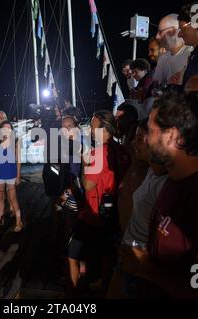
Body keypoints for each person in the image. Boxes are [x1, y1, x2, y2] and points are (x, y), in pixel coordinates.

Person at [119, 93, 198, 298]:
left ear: (173, 136)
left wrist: (147, 269)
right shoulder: (173, 181)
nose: (144, 139)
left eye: (150, 131)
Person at [66, 110, 130, 297]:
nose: (91, 132)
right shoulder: (123, 150)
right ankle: (104, 287)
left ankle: (74, 293)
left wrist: (86, 163)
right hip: (113, 213)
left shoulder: (99, 152)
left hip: (93, 213)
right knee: (107, 255)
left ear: (104, 128)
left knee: (73, 255)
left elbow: (88, 185)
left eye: (93, 128)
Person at [108, 120, 168, 298]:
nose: (134, 143)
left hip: (140, 264)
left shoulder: (165, 184)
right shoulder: (150, 171)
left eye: (140, 138)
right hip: (129, 256)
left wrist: (146, 265)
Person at [0, 121, 23, 232]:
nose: (7, 130)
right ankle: (1, 220)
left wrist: (18, 176)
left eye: (9, 128)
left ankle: (19, 221)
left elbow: (19, 161)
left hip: (11, 174)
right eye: (4, 128)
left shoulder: (16, 142)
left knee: (13, 198)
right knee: (1, 199)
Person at [154, 14, 193, 88]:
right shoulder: (163, 57)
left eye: (160, 31)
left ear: (175, 31)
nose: (157, 37)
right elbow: (156, 85)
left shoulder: (191, 54)